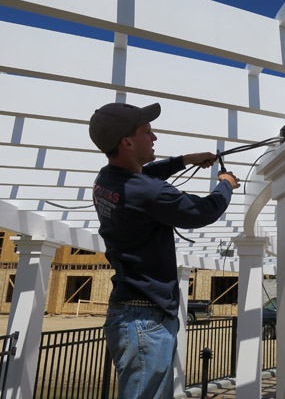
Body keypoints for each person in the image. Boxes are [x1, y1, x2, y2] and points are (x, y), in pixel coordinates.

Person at [88, 102, 240, 399]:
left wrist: (185, 160)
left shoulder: (106, 179)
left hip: (132, 314)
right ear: (128, 142)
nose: (155, 137)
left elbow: (148, 173)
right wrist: (226, 185)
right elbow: (203, 211)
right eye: (148, 131)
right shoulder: (147, 191)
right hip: (145, 319)